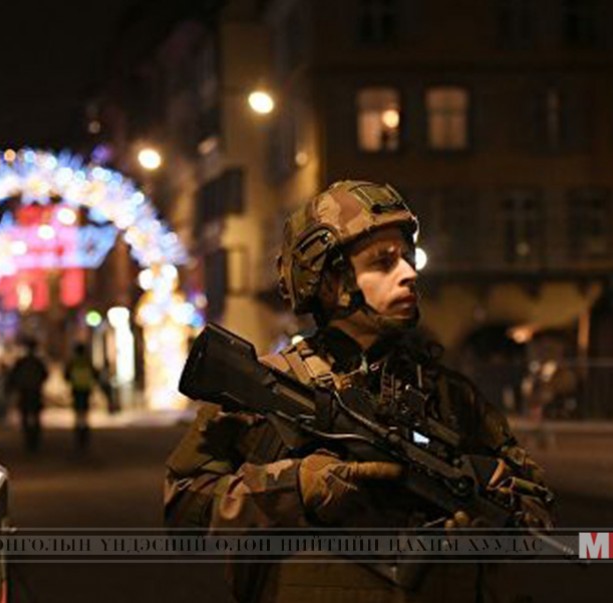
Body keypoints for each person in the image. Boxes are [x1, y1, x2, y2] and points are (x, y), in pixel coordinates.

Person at [164, 181, 553, 602]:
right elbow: (183, 512)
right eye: (383, 262)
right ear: (329, 282)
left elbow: (534, 507)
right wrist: (296, 487)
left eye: (407, 258)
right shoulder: (268, 388)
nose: (409, 273)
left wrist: (492, 514)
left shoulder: (449, 395)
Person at [8, 337, 49, 452]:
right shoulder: (38, 362)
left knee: (25, 416)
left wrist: (14, 387)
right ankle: (34, 439)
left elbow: (13, 376)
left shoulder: (22, 362)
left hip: (25, 392)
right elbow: (45, 375)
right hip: (35, 392)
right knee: (35, 416)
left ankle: (29, 439)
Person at [65, 343, 97, 451]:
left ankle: (78, 432)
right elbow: (95, 374)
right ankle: (84, 433)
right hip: (86, 390)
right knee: (85, 413)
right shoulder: (88, 362)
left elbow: (66, 376)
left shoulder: (73, 362)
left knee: (78, 413)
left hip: (76, 390)